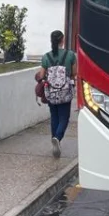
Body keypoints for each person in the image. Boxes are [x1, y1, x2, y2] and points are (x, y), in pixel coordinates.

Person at [37, 30, 77, 158]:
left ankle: (54, 139)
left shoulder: (46, 57)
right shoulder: (70, 55)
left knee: (54, 116)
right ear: (62, 40)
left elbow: (42, 75)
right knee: (64, 118)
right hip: (65, 91)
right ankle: (57, 138)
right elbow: (74, 73)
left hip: (51, 92)